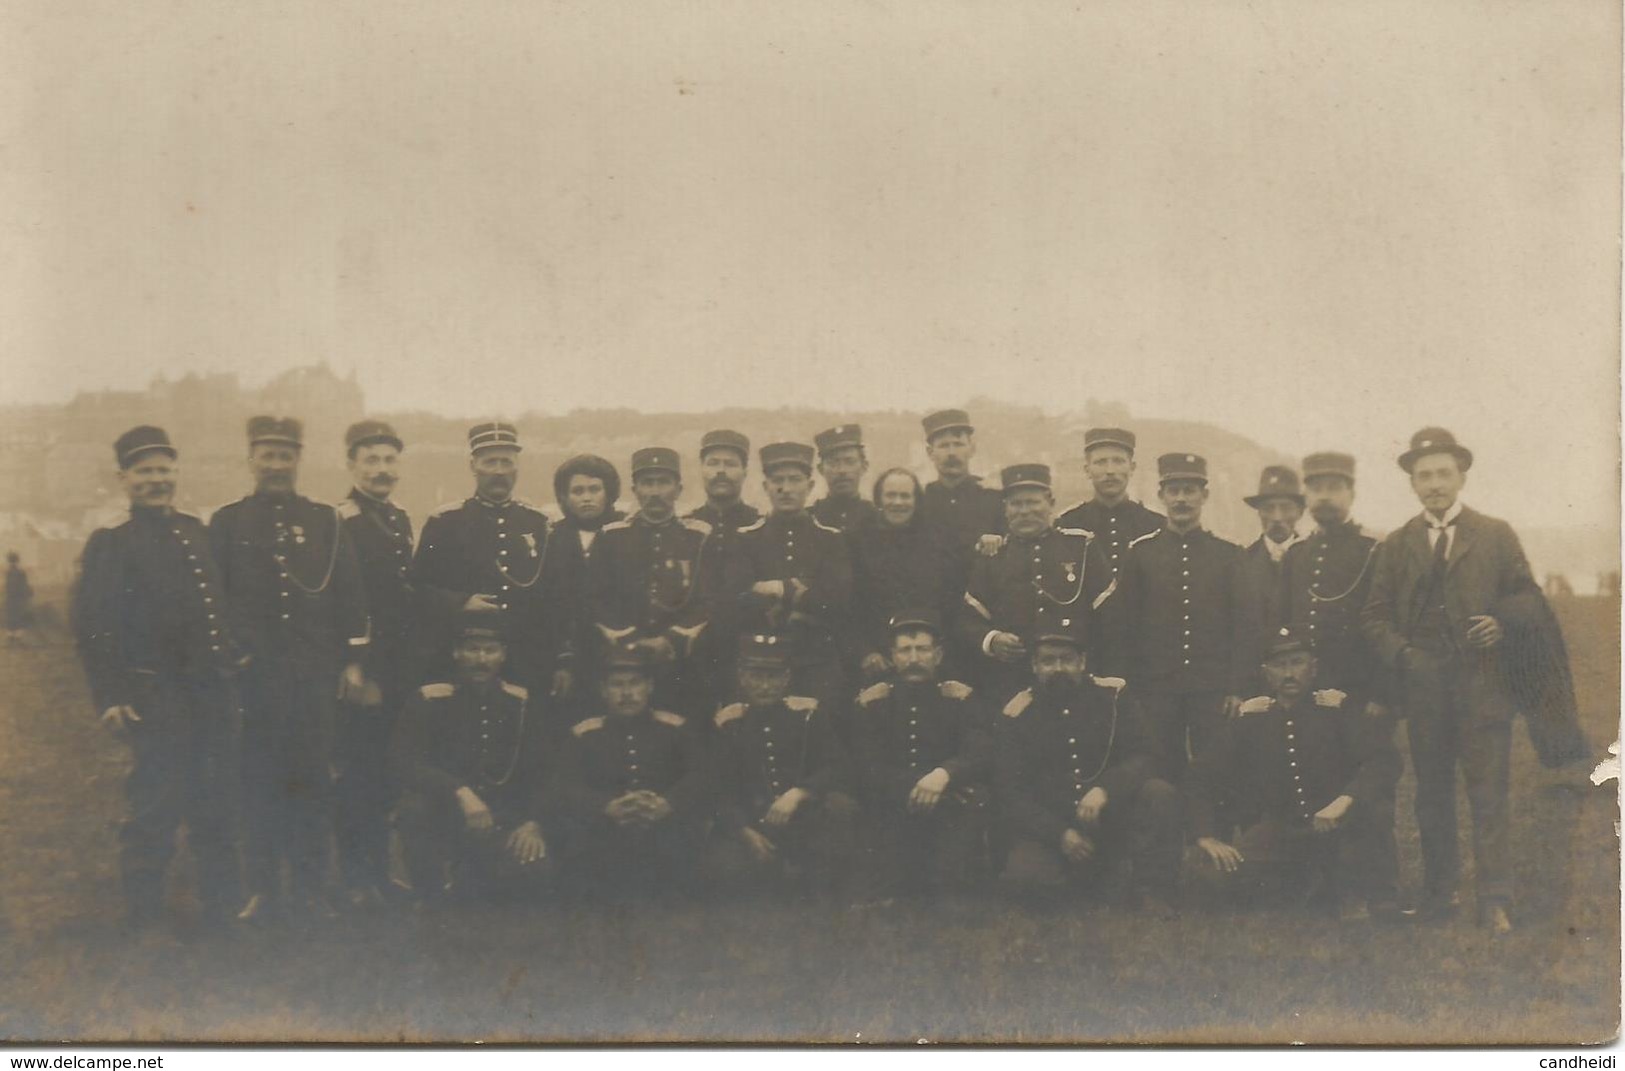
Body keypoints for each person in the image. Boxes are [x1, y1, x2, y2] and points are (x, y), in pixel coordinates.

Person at [1361, 428, 1558, 934]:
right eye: (1423, 475)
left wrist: (1501, 620)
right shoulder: (1397, 543)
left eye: (1443, 473)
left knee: (1488, 795)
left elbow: (1529, 597)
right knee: (1431, 796)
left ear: (1461, 477)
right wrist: (1403, 654)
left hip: (1483, 689)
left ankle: (1494, 898)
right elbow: (1374, 618)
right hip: (1425, 693)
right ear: (1412, 483)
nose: (1434, 484)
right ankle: (1440, 894)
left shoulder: (1495, 534)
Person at [73, 426, 247, 932]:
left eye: (164, 469)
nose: (157, 480)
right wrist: (111, 695)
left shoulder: (196, 530)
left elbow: (217, 607)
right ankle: (144, 920)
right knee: (157, 804)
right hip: (157, 696)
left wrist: (233, 654)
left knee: (216, 802)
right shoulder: (113, 542)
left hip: (211, 692)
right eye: (145, 471)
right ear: (123, 479)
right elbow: (93, 625)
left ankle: (221, 914)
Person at [209, 416, 369, 923]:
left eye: (286, 455)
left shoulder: (325, 520)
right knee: (257, 781)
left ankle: (312, 885)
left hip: (313, 678)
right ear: (250, 459)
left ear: (299, 460)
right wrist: (235, 650)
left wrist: (353, 662)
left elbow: (350, 594)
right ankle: (262, 888)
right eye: (267, 455)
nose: (276, 465)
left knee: (313, 781)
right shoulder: (228, 522)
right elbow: (216, 598)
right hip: (254, 681)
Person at [1187, 625, 1401, 922]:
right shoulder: (1252, 719)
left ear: (1313, 669)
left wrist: (1344, 801)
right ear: (1265, 673)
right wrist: (1206, 836)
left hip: (1339, 829)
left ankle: (1372, 893)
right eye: (1279, 665)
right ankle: (1305, 887)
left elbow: (1384, 759)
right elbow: (1201, 775)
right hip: (1282, 831)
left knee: (1373, 810)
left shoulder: (1336, 709)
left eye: (1297, 663)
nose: (1289, 674)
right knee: (1209, 876)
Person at [993, 628, 1180, 915]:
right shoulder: (1017, 713)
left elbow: (1146, 755)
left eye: (1066, 660)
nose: (1058, 669)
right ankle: (1096, 880)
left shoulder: (1113, 697)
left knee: (1158, 792)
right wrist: (1060, 834)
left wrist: (1106, 789)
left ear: (1082, 662)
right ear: (1034, 666)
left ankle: (1151, 891)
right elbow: (1010, 792)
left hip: (1112, 817)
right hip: (1054, 828)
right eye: (1048, 661)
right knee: (1027, 880)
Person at [1115, 453, 1261, 783]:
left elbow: (1245, 626)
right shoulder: (1140, 553)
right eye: (1174, 490)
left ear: (1204, 496)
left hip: (1212, 689)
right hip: (1156, 687)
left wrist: (1237, 687)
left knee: (1216, 769)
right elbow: (1125, 626)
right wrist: (1132, 687)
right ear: (1161, 496)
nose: (1181, 499)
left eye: (1190, 490)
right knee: (1160, 767)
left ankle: (1210, 834)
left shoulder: (1229, 555)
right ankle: (1170, 835)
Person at [390, 612, 550, 906]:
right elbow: (405, 762)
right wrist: (459, 791)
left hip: (499, 814)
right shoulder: (429, 698)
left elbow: (540, 770)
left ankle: (474, 875)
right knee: (414, 809)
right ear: (456, 653)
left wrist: (532, 822)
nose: (481, 659)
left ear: (503, 655)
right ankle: (432, 890)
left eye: (490, 650)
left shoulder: (521, 702)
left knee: (533, 875)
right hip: (443, 811)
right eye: (472, 649)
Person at [411, 423, 572, 714]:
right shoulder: (445, 522)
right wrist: (461, 602)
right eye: (489, 462)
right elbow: (417, 588)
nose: (499, 471)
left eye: (506, 462)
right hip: (464, 659)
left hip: (526, 657)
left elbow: (557, 598)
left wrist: (562, 659)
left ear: (517, 467)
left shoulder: (539, 524)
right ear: (473, 466)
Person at [705, 633, 860, 900]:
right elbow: (719, 788)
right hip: (755, 824)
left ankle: (806, 875)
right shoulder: (728, 723)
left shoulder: (808, 714)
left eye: (773, 677)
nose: (764, 686)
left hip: (803, 820)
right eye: (756, 676)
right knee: (724, 871)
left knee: (839, 808)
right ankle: (776, 874)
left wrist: (799, 793)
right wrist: (745, 833)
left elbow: (837, 765)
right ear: (742, 677)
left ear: (787, 678)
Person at [850, 610, 991, 901]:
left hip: (949, 805)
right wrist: (920, 785)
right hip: (894, 804)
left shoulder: (960, 698)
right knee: (887, 889)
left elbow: (979, 751)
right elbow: (868, 765)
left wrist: (944, 775)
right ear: (893, 656)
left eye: (922, 649)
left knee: (951, 889)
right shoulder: (874, 701)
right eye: (905, 650)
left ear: (937, 655)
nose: (914, 658)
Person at [550, 644, 709, 902]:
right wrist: (605, 806)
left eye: (635, 683)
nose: (627, 693)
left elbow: (701, 775)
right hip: (606, 828)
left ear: (650, 686)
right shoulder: (584, 734)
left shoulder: (676, 728)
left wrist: (667, 803)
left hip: (663, 826)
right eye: (617, 685)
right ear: (603, 690)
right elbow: (564, 784)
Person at [332, 419, 415, 909]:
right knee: (359, 772)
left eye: (388, 460)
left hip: (399, 666)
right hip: (364, 669)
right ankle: (356, 877)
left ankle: (380, 874)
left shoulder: (400, 517)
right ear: (351, 465)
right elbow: (344, 600)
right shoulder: (340, 520)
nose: (381, 470)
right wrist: (354, 665)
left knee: (386, 773)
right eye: (371, 460)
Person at [957, 463, 1115, 704]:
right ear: (1005, 509)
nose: (1024, 511)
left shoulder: (1081, 547)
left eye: (1033, 502)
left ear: (1050, 503)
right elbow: (969, 619)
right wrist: (992, 639)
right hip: (1013, 679)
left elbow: (1110, 615)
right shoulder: (994, 555)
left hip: (1075, 678)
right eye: (1016, 504)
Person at [585, 448, 722, 719]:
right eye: (648, 483)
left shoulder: (699, 537)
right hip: (625, 662)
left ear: (678, 489)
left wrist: (670, 640)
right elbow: (596, 598)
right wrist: (632, 640)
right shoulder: (611, 538)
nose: (656, 491)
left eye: (663, 482)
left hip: (682, 663)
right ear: (635, 489)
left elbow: (709, 599)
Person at [727, 441, 855, 712]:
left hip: (815, 661)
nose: (786, 488)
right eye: (778, 481)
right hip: (759, 666)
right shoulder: (745, 539)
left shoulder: (830, 539)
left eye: (795, 480)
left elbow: (837, 600)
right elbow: (737, 601)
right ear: (766, 487)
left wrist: (775, 589)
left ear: (810, 487)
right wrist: (800, 591)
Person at [1280, 452, 1387, 717]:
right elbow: (1283, 620)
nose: (1324, 496)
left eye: (1334, 488)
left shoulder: (1374, 550)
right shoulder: (1296, 553)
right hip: (1306, 688)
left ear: (1351, 494)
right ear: (1306, 496)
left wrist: (1381, 693)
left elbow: (1386, 625)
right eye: (1316, 489)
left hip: (1359, 689)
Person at [847, 468, 951, 683]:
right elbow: (848, 604)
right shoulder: (858, 540)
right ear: (879, 499)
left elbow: (950, 600)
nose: (898, 502)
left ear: (916, 500)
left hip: (928, 656)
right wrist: (865, 652)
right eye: (891, 495)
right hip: (877, 657)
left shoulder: (937, 539)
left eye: (905, 496)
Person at [684, 429, 763, 699]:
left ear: (744, 471)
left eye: (730, 464)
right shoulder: (685, 527)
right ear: (701, 470)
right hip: (693, 654)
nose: (721, 471)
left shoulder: (760, 525)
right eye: (713, 463)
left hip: (748, 653)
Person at [543, 453, 627, 702]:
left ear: (609, 492)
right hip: (568, 655)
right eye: (577, 491)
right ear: (564, 498)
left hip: (620, 652)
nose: (587, 498)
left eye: (595, 489)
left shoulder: (626, 533)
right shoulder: (552, 538)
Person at [1056, 427, 1164, 586]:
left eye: (1119, 461)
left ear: (1132, 468)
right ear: (1087, 470)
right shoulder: (1067, 525)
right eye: (1100, 462)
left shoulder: (1156, 526)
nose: (1110, 471)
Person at [916, 408, 1005, 599]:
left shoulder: (994, 499)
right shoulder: (919, 502)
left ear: (972, 449)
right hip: (932, 606)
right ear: (930, 452)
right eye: (943, 446)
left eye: (958, 444)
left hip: (981, 607)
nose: (951, 453)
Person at [1242, 465, 1307, 626]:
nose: (1277, 517)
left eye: (1286, 508)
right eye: (1268, 508)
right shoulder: (1241, 561)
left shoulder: (1313, 558)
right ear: (1259, 512)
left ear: (1300, 512)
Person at [809, 424, 880, 532]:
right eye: (833, 463)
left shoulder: (878, 519)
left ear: (864, 466)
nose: (842, 470)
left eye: (850, 462)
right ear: (821, 469)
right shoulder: (811, 519)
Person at [5, 550, 33, 645]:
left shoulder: (11, 572)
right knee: (16, 615)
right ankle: (14, 635)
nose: (12, 563)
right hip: (16, 598)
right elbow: (23, 585)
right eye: (12, 561)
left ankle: (13, 635)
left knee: (13, 615)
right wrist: (28, 593)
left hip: (13, 598)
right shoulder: (18, 572)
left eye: (12, 561)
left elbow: (10, 586)